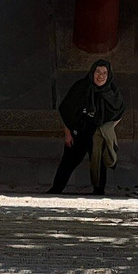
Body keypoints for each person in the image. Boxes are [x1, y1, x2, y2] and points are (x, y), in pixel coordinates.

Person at [47, 59, 125, 195]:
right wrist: (67, 133)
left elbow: (120, 111)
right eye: (98, 72)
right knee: (68, 161)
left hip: (98, 132)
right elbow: (66, 110)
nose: (101, 76)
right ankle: (56, 189)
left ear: (109, 75)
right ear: (92, 72)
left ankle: (99, 192)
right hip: (79, 129)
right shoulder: (81, 87)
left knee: (99, 164)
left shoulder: (111, 91)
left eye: (104, 73)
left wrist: (108, 128)